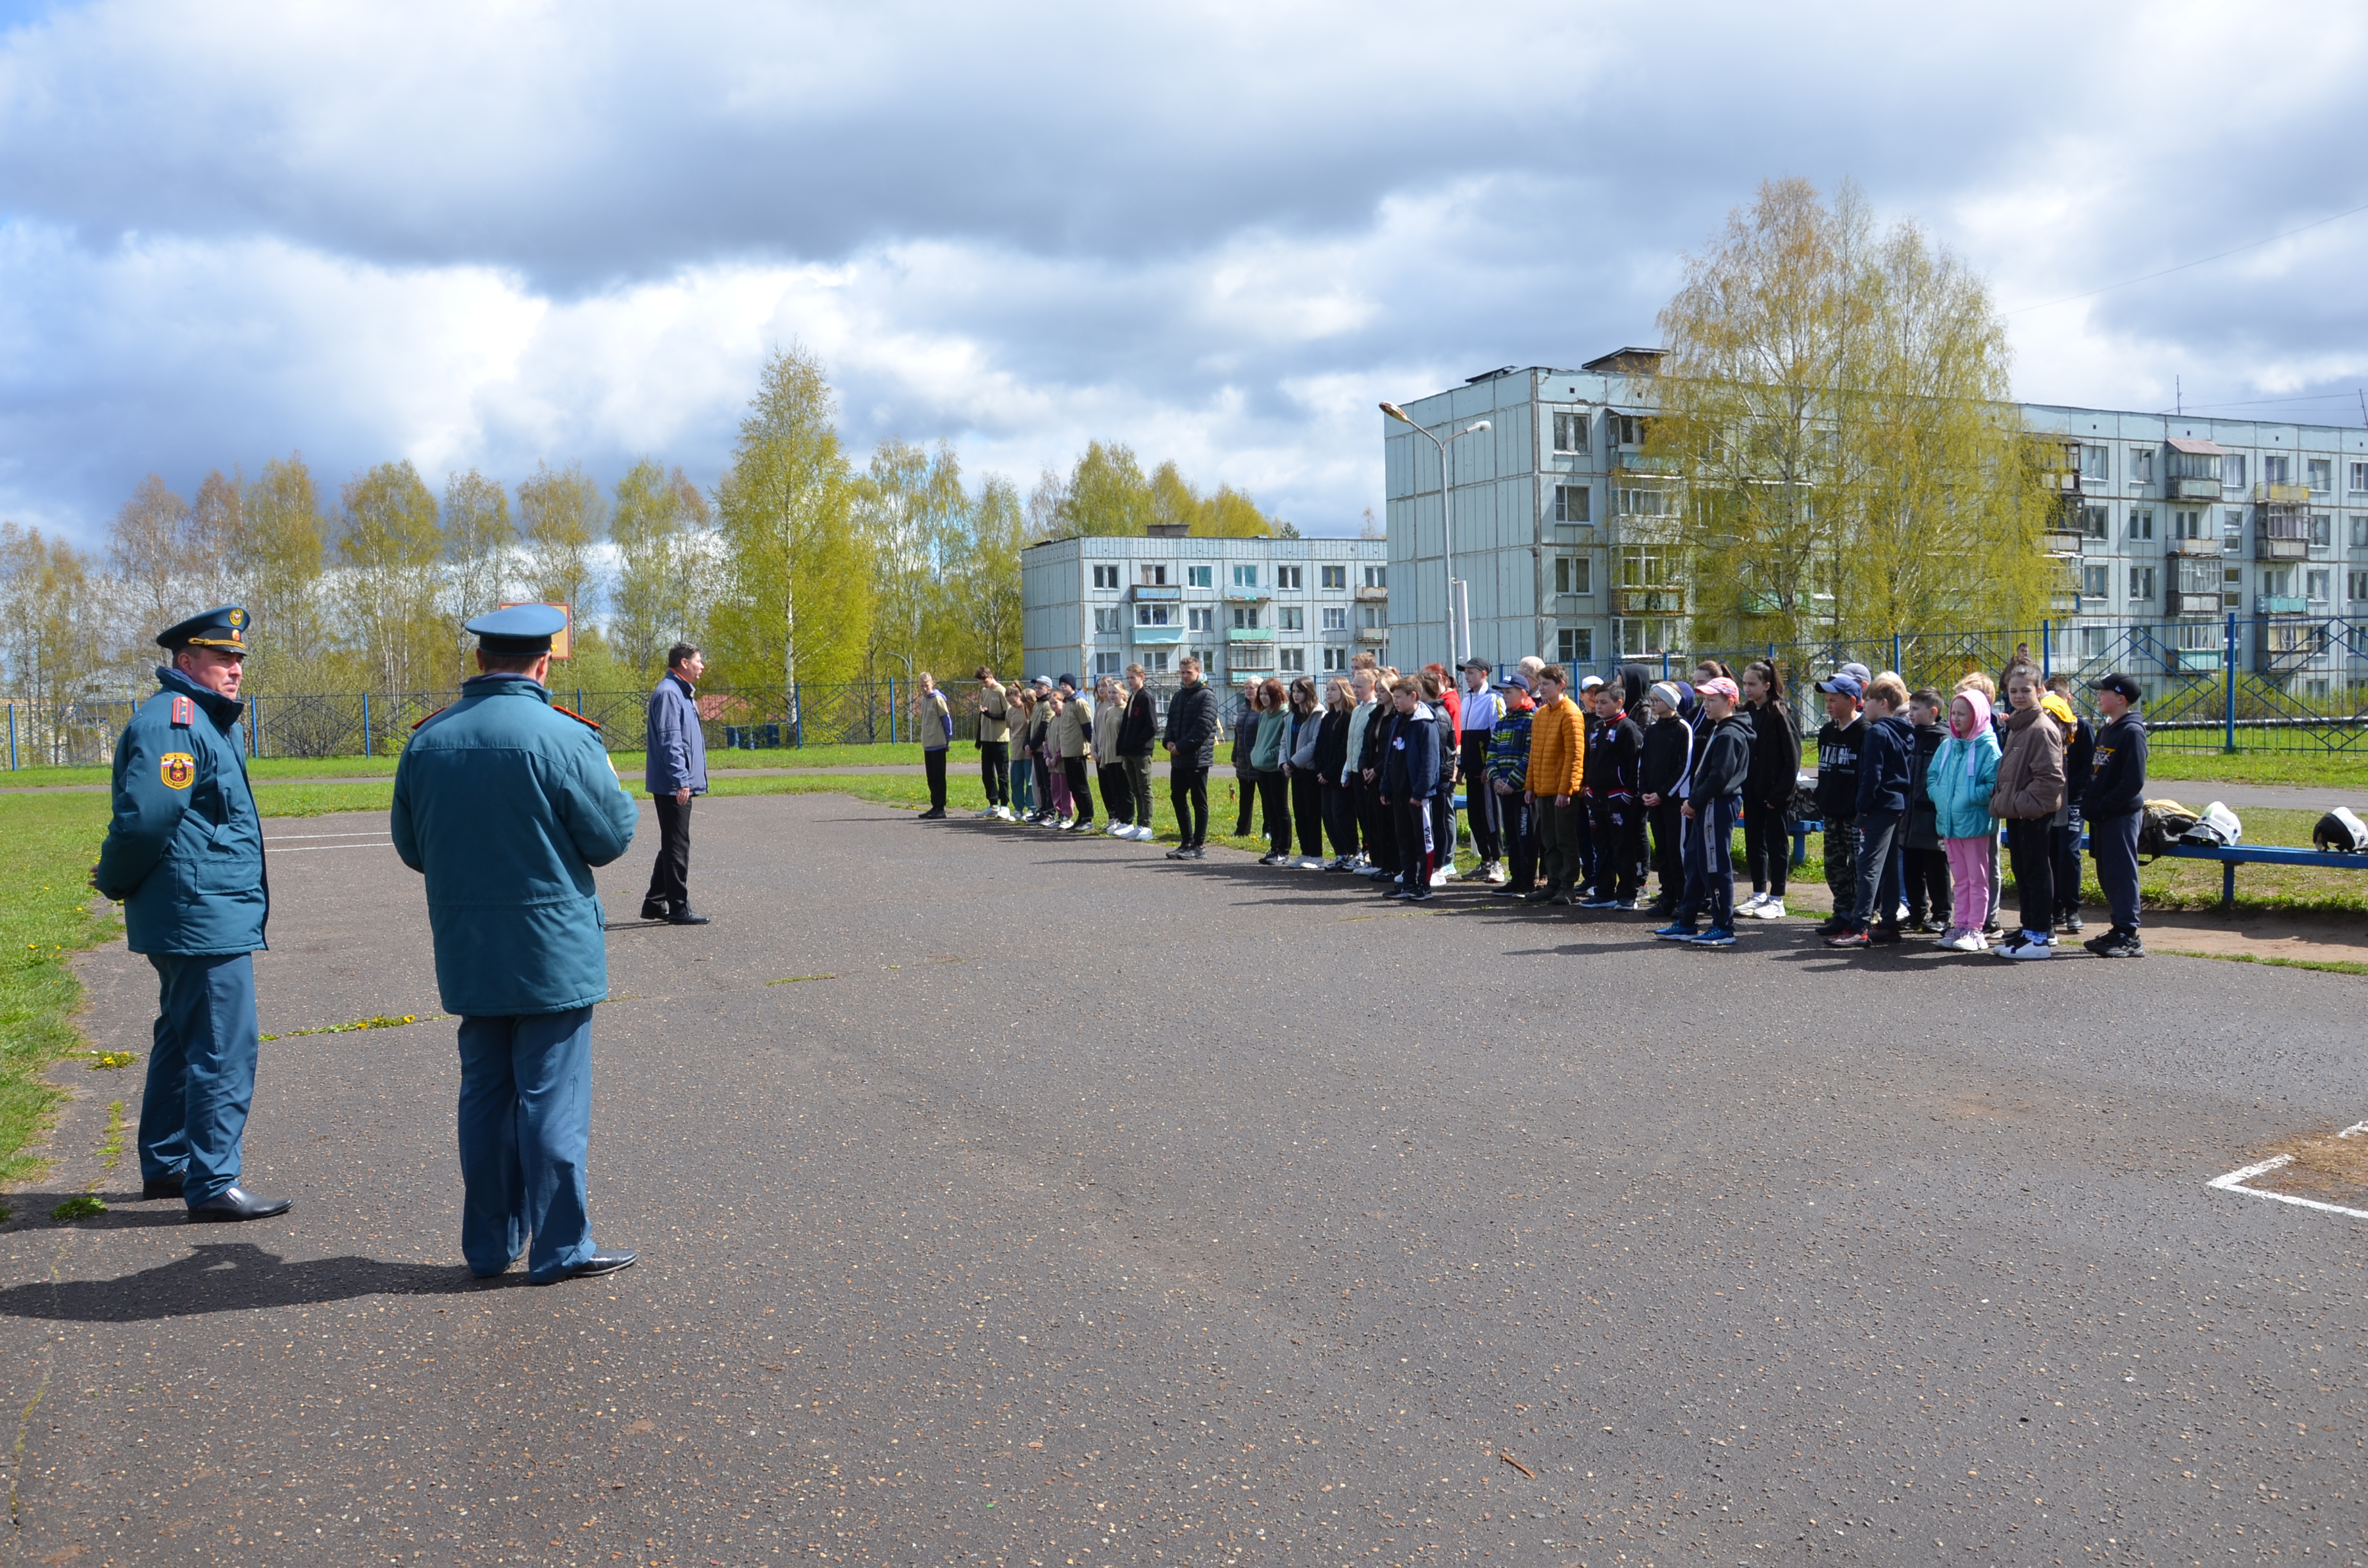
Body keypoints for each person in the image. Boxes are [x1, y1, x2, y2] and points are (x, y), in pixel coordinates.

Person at [390, 603, 640, 1283]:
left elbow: (414, 849)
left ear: (478, 661)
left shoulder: (427, 741)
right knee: (551, 1099)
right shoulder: (564, 737)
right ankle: (561, 1248)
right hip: (551, 948)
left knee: (486, 1098)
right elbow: (611, 838)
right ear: (543, 663)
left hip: (469, 943)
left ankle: (490, 1245)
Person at [93, 605, 290, 1222]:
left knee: (181, 1040)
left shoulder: (201, 719)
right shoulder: (177, 722)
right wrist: (116, 879)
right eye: (222, 657)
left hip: (197, 908)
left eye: (239, 659)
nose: (235, 669)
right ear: (186, 662)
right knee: (223, 1047)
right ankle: (212, 1183)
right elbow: (149, 817)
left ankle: (169, 1164)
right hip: (199, 913)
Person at [1657, 676, 1752, 947]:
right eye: (1704, 700)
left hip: (1717, 804)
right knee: (1697, 863)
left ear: (1730, 702)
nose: (1706, 706)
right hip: (1707, 804)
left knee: (1715, 865)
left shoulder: (1731, 733)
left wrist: (1694, 801)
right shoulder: (1719, 728)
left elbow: (1719, 778)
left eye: (1712, 700)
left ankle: (1724, 925)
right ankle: (1687, 921)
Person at [1989, 661, 2067, 960]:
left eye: (2025, 691)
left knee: (2036, 871)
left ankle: (2040, 936)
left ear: (2039, 691)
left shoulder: (2042, 728)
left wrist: (2022, 803)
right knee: (2022, 871)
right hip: (2017, 812)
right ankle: (2027, 929)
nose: (2018, 696)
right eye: (2013, 691)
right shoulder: (2018, 727)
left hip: (2034, 814)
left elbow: (2051, 779)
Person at [1827, 673, 1912, 948]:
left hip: (1876, 808)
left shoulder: (1877, 732)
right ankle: (1889, 923)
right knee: (1887, 866)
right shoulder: (1905, 729)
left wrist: (1862, 807)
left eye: (1869, 700)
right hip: (1896, 805)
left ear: (1883, 703)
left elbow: (1871, 775)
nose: (1864, 706)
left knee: (1867, 867)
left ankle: (1859, 926)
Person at [640, 642, 711, 917]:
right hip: (674, 785)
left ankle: (654, 902)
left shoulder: (680, 692)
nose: (702, 666)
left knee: (673, 843)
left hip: (676, 782)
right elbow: (671, 741)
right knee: (677, 845)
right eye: (698, 661)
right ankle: (678, 907)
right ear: (684, 663)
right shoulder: (670, 693)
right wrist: (682, 780)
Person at [2082, 673, 2150, 958]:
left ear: (2121, 699)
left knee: (2122, 872)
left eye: (2104, 692)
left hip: (2120, 814)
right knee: (2108, 872)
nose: (2098, 696)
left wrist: (2105, 804)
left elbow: (2133, 781)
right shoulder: (2107, 728)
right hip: (2103, 814)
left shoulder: (2131, 731)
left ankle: (2129, 934)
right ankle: (2118, 927)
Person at [1930, 687, 2002, 952]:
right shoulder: (1948, 745)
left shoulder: (1988, 748)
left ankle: (1975, 928)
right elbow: (1933, 776)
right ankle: (1959, 924)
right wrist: (1939, 796)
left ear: (1978, 715)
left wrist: (1969, 797)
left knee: (1977, 878)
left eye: (1963, 714)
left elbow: (1993, 784)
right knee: (1959, 878)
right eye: (1954, 713)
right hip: (1950, 824)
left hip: (1975, 825)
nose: (1956, 718)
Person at [1738, 660, 1797, 921]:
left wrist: (1781, 793)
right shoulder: (1748, 711)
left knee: (1777, 844)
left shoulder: (1779, 713)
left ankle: (1777, 898)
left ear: (1767, 685)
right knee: (1754, 844)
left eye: (1752, 684)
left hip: (1775, 796)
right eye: (1745, 684)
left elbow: (1792, 757)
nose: (1747, 689)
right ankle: (1759, 893)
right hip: (1752, 791)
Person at [1522, 664, 1585, 904]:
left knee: (1565, 838)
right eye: (1540, 684)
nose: (1542, 688)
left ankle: (1568, 885)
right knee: (1548, 839)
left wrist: (1566, 790)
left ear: (1561, 685)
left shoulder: (1571, 713)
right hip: (1543, 789)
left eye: (1546, 684)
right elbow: (1534, 753)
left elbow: (1575, 756)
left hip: (1561, 790)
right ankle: (1553, 883)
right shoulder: (1540, 714)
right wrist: (1530, 786)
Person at [1579, 681, 1643, 908]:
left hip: (1619, 800)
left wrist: (1628, 794)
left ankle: (1627, 894)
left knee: (1623, 847)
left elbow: (1636, 765)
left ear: (1619, 703)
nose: (1598, 706)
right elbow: (1590, 761)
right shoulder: (1596, 727)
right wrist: (1587, 786)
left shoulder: (1628, 728)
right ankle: (1604, 892)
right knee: (1601, 847)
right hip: (1596, 799)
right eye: (1597, 702)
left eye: (1604, 702)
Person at [1377, 675, 1441, 901]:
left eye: (1398, 697)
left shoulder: (1425, 723)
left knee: (1422, 841)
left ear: (1413, 696)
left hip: (1417, 795)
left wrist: (1420, 792)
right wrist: (1386, 787)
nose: (1394, 701)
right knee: (1403, 839)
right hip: (1398, 792)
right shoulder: (1398, 720)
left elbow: (1430, 761)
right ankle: (1408, 881)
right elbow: (1390, 756)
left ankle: (1424, 885)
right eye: (1393, 697)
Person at [1812, 674, 1866, 936]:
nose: (1829, 705)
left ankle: (1860, 914)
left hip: (1854, 814)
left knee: (1857, 866)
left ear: (1852, 701)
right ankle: (1841, 912)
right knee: (1834, 866)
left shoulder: (1865, 731)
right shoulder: (1827, 731)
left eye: (1834, 700)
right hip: (1831, 811)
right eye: (1827, 700)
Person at [1638, 681, 1693, 918]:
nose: (1653, 704)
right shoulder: (1651, 730)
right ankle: (1667, 896)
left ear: (1670, 703)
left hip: (1675, 802)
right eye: (1652, 699)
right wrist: (1645, 791)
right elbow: (1644, 763)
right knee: (1662, 851)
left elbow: (1685, 766)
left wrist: (1663, 794)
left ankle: (1685, 898)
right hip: (1654, 800)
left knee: (1676, 850)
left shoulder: (1682, 728)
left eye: (1657, 700)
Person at [2044, 674, 2095, 933]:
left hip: (2072, 801)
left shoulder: (2083, 729)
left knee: (2069, 853)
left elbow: (2086, 768)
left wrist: (2071, 793)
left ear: (2069, 699)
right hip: (2046, 802)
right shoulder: (2041, 726)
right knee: (2050, 853)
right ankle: (2055, 908)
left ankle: (2072, 908)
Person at [1899, 689, 1952, 934]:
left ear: (1933, 712)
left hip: (1931, 815)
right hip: (1908, 815)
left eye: (1915, 710)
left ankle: (1942, 913)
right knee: (1911, 866)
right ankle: (1917, 911)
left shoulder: (1943, 739)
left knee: (1935, 867)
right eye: (1909, 709)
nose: (1910, 714)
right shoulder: (1910, 736)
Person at [1162, 655, 1219, 859]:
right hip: (1178, 758)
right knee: (1177, 797)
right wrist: (1168, 741)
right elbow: (1170, 722)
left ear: (1198, 672)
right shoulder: (1179, 696)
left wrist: (1181, 747)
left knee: (1199, 800)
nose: (1185, 676)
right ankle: (1186, 841)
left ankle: (1199, 844)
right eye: (1182, 672)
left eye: (1189, 673)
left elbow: (1203, 728)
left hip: (1197, 758)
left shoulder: (1207, 696)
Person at [1486, 673, 1538, 897]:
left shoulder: (1532, 719)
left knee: (1526, 836)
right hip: (1503, 790)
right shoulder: (1503, 721)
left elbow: (1530, 756)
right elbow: (1492, 753)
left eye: (1509, 692)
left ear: (1523, 694)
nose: (1505, 696)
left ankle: (1528, 880)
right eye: (1503, 692)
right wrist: (1495, 778)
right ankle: (1515, 878)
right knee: (1512, 837)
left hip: (1521, 791)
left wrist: (1513, 782)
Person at [1458, 658, 1506, 883]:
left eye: (1471, 672)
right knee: (1475, 816)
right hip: (1471, 768)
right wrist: (1461, 766)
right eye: (1465, 673)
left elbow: (1496, 734)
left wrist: (1491, 765)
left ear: (1484, 674)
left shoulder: (1493, 699)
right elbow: (1465, 737)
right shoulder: (1466, 699)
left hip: (1486, 768)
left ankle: (1497, 861)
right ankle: (1485, 861)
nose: (1467, 676)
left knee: (1490, 816)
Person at [1356, 668, 1403, 881]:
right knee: (1373, 820)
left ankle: (1393, 865)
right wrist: (1364, 765)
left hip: (1386, 771)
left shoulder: (1397, 716)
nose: (1380, 693)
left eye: (1384, 690)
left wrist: (1377, 770)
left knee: (1389, 821)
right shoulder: (1376, 714)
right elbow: (1367, 743)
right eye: (1378, 689)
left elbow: (1392, 749)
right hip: (1371, 770)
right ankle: (1379, 862)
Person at [1313, 676, 1360, 870]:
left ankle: (1354, 851)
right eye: (1327, 689)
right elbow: (1320, 745)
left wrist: (1330, 771)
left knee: (1341, 814)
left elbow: (1344, 750)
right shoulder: (1328, 717)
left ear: (1344, 691)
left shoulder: (1349, 717)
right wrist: (1320, 769)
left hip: (1339, 776)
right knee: (1328, 815)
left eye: (1333, 689)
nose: (1329, 693)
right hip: (1325, 776)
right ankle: (1341, 852)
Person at [1251, 676, 1294, 863]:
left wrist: (1269, 754)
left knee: (1280, 809)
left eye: (1267, 694)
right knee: (1269, 809)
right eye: (1261, 694)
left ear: (1277, 694)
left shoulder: (1285, 714)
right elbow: (1261, 739)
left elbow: (1285, 743)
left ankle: (1283, 849)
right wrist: (1257, 753)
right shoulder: (1264, 715)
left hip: (1277, 768)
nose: (1263, 698)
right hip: (1262, 767)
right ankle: (1274, 848)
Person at [1116, 663, 1160, 841]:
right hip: (1129, 752)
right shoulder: (1133, 698)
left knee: (1144, 788)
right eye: (1127, 678)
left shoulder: (1145, 697)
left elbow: (1151, 727)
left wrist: (1136, 743)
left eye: (1133, 677)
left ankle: (1147, 825)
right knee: (1135, 788)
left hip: (1141, 752)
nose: (1130, 681)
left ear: (1142, 676)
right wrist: (1123, 746)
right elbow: (1127, 725)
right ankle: (1140, 824)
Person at [1286, 675, 1326, 867]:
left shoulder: (1319, 714)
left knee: (1312, 813)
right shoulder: (1292, 715)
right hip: (1294, 770)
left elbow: (1314, 744)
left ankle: (1316, 855)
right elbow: (1283, 742)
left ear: (1308, 692)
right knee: (1299, 813)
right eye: (1293, 691)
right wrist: (1284, 763)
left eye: (1299, 691)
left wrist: (1293, 762)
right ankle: (1305, 852)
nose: (1295, 695)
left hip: (1308, 770)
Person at [1053, 674, 1095, 831]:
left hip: (1078, 750)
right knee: (1073, 786)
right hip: (1067, 752)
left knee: (1081, 785)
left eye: (1066, 684)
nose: (1063, 687)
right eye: (1061, 684)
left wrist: (1092, 747)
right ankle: (1081, 816)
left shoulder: (1080, 703)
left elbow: (1086, 727)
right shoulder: (1067, 703)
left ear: (1072, 685)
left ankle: (1088, 818)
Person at [912, 671, 955, 820]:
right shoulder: (924, 700)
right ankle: (934, 805)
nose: (924, 689)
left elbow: (946, 720)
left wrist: (947, 739)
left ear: (933, 684)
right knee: (931, 777)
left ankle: (941, 807)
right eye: (921, 686)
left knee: (939, 776)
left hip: (938, 743)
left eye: (927, 686)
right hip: (928, 744)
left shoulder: (938, 699)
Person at [1092, 675, 1131, 833]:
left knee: (1121, 788)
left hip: (1116, 754)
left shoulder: (1121, 709)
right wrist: (1095, 748)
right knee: (1109, 788)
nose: (1102, 689)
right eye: (1099, 686)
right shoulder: (1103, 707)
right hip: (1104, 754)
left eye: (1105, 686)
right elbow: (1097, 730)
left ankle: (1123, 819)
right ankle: (1115, 818)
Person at [974, 666, 1012, 821]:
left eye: (985, 681)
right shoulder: (984, 692)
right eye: (981, 683)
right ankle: (993, 805)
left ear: (991, 677)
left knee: (1002, 773)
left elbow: (1008, 715)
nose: (984, 685)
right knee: (987, 773)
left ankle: (1005, 806)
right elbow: (982, 715)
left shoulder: (1001, 691)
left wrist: (990, 715)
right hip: (987, 738)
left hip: (1000, 738)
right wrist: (979, 739)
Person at [1229, 682, 1265, 840]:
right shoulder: (1243, 709)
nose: (1249, 691)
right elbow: (1238, 735)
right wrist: (1234, 757)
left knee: (1267, 798)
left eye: (1252, 688)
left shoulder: (1264, 709)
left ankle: (1268, 830)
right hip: (1244, 761)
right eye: (1246, 688)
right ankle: (1242, 829)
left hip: (1260, 762)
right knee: (1245, 798)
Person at [1007, 686, 1038, 820]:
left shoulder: (1028, 709)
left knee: (1030, 781)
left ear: (1020, 697)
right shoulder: (1009, 712)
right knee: (1016, 780)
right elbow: (1010, 728)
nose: (1013, 704)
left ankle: (1032, 808)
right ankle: (1018, 809)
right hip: (1015, 750)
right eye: (1010, 703)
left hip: (1028, 750)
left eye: (1014, 701)